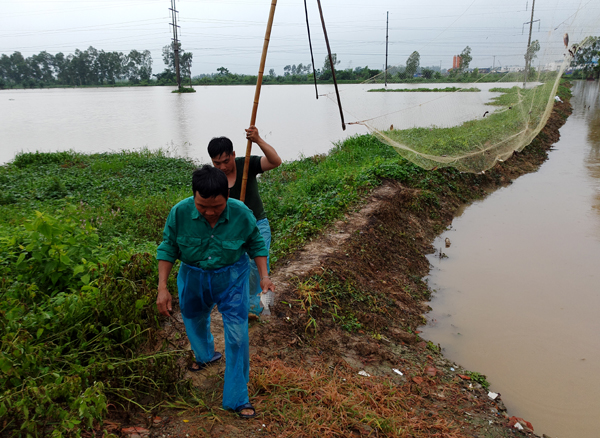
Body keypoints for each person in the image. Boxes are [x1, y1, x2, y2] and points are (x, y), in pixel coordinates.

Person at [156, 165, 275, 419]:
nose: (209, 212)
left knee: (237, 335)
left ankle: (237, 397)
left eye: (217, 207)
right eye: (202, 206)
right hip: (193, 276)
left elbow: (256, 244)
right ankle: (206, 355)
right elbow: (167, 248)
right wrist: (162, 287)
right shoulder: (179, 212)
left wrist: (264, 277)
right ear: (194, 197)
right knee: (193, 319)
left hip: (232, 277)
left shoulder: (242, 214)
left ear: (227, 197)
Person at [208, 126, 282, 318]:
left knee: (256, 263)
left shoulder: (246, 163)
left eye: (226, 161)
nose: (223, 167)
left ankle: (258, 308)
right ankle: (246, 303)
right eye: (217, 163)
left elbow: (275, 161)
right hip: (233, 230)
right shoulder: (214, 178)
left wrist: (258, 140)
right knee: (238, 266)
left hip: (257, 225)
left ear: (233, 154)